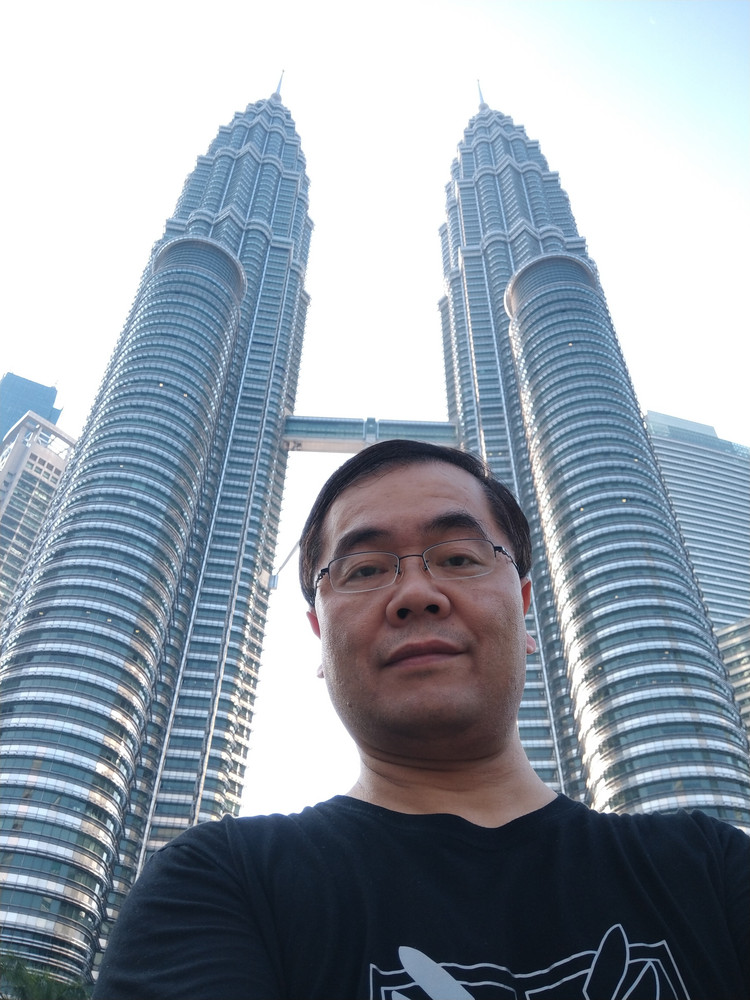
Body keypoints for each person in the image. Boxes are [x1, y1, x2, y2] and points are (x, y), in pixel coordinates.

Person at [94, 440, 749, 999]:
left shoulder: (712, 870)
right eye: (364, 569)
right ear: (319, 635)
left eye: (459, 558)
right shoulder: (220, 883)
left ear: (524, 609)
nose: (415, 594)